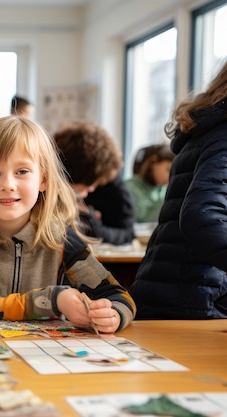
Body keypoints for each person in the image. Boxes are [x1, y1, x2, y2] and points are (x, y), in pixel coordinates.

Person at [0, 115, 135, 333]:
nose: (8, 185)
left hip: (34, 359)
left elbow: (119, 296)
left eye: (22, 172)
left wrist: (112, 314)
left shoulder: (60, 239)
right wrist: (47, 300)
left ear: (43, 180)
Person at [130, 61, 227, 320]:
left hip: (175, 288)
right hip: (193, 297)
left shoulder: (207, 130)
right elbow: (203, 218)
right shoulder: (222, 135)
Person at [53, 120, 135, 245]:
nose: (88, 191)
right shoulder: (53, 183)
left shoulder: (115, 190)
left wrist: (96, 229)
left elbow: (127, 234)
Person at [125, 143, 174, 223]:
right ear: (153, 163)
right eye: (168, 169)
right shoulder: (129, 189)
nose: (170, 176)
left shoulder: (163, 191)